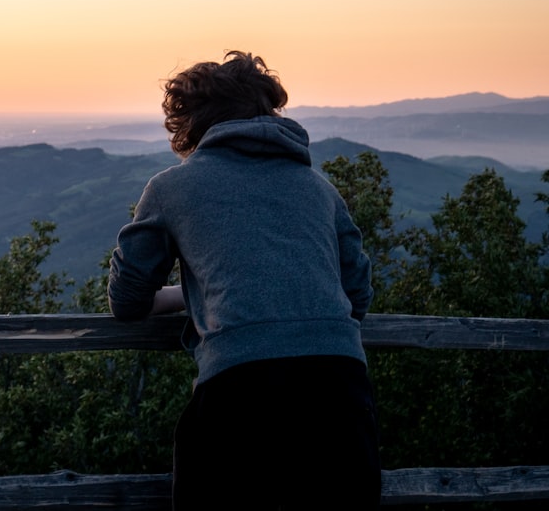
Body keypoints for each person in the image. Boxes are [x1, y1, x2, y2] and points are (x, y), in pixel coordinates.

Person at [107, 51, 380, 510]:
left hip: (240, 393)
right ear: (267, 111)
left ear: (190, 122)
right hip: (341, 392)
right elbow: (357, 297)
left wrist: (191, 298)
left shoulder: (171, 187)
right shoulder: (319, 188)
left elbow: (127, 299)